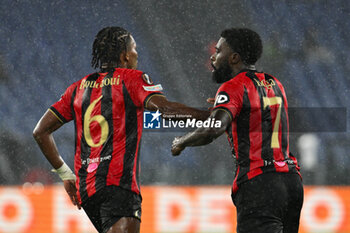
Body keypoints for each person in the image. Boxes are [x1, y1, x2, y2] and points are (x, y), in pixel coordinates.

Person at [33, 26, 208, 233]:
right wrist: (212, 114)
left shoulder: (78, 88)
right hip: (118, 185)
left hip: (88, 190)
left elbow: (40, 131)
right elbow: (165, 110)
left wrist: (65, 174)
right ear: (125, 56)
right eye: (134, 48)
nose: (137, 53)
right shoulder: (133, 79)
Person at [171, 28, 303, 233]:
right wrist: (228, 109)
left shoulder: (233, 86)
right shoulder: (275, 83)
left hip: (260, 183)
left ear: (234, 58)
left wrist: (182, 141)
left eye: (218, 51)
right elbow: (260, 117)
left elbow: (213, 129)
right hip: (291, 182)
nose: (213, 56)